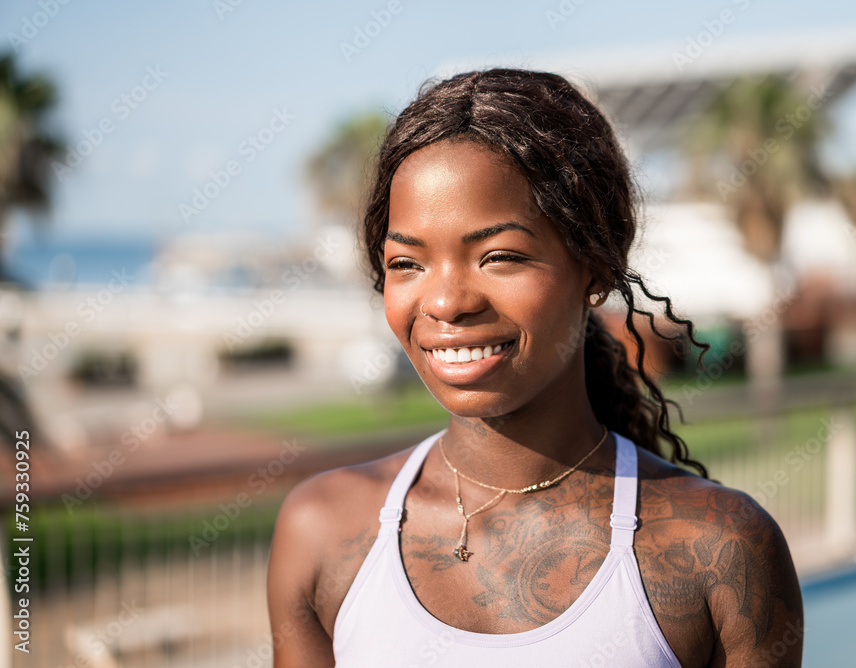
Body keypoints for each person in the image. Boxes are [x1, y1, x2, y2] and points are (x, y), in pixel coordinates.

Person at [267, 68, 803, 667]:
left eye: (499, 256)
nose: (445, 302)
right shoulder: (322, 531)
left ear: (595, 266)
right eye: (407, 263)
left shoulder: (721, 548)